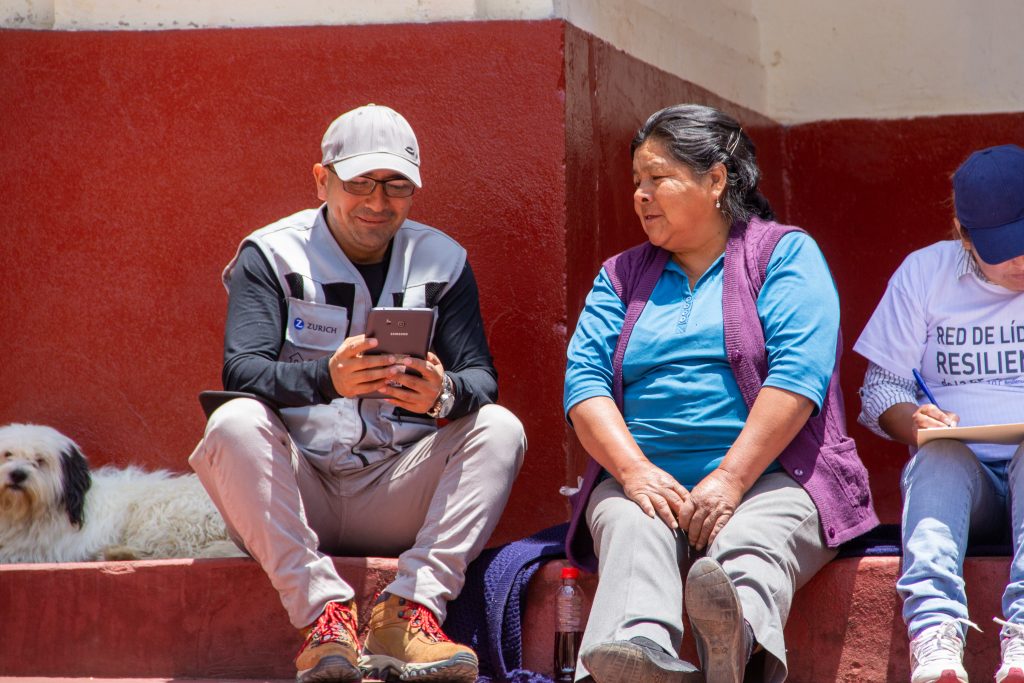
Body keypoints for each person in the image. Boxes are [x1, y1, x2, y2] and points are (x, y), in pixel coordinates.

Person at [188, 104, 526, 683]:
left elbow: (482, 377)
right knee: (233, 422)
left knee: (502, 428)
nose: (377, 203)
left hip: (397, 489)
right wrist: (327, 379)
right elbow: (241, 371)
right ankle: (324, 620)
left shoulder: (442, 259)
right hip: (298, 492)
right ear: (322, 179)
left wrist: (442, 394)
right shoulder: (272, 254)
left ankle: (410, 613)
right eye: (360, 183)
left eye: (396, 186)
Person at [562, 103, 877, 683]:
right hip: (646, 483)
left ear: (714, 180)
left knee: (749, 546)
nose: (641, 194)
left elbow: (798, 378)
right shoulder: (619, 276)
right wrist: (633, 474)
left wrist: (731, 479)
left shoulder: (783, 253)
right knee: (632, 531)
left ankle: (739, 653)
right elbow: (584, 385)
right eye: (637, 181)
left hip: (778, 476)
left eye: (657, 178)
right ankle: (637, 660)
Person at [854, 143, 1024, 683]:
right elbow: (879, 387)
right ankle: (935, 634)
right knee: (939, 459)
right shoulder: (925, 274)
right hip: (960, 482)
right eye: (1004, 248)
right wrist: (913, 420)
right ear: (964, 234)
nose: (1021, 260)